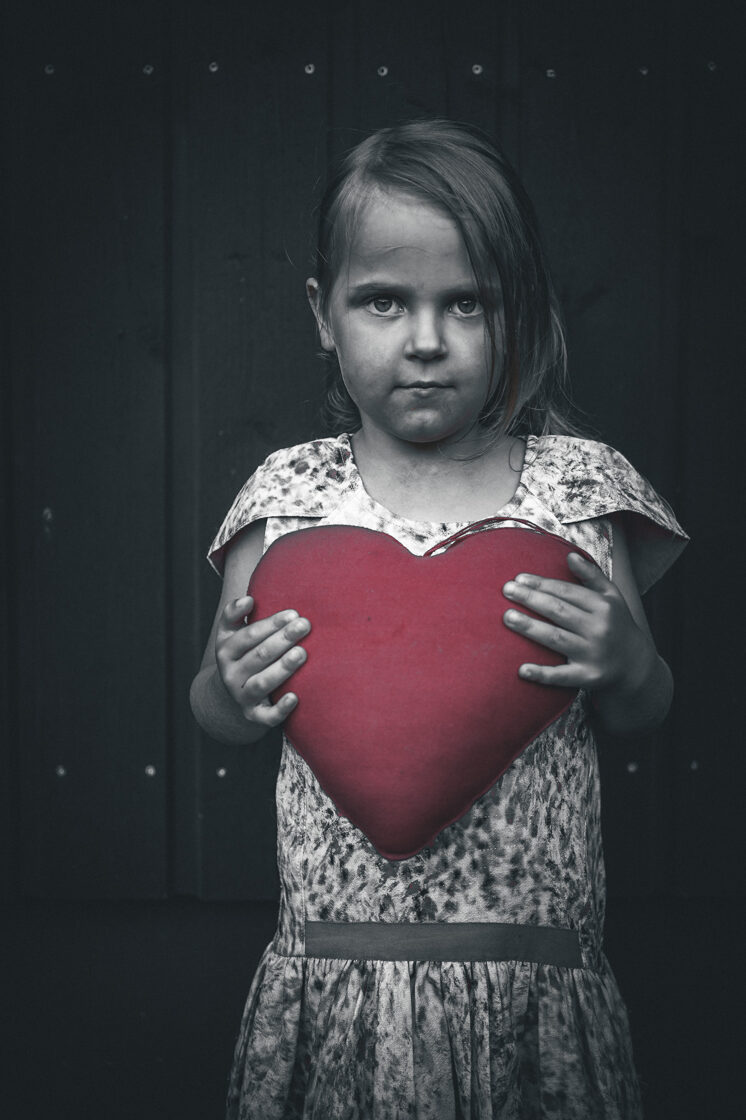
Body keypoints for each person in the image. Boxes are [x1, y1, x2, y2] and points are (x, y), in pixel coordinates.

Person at [190, 119, 688, 1119]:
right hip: (337, 972)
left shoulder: (576, 491)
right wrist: (235, 691)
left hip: (532, 978)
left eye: (467, 303)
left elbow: (642, 705)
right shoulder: (289, 497)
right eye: (383, 300)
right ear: (323, 314)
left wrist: (627, 663)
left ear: (518, 313)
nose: (425, 339)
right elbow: (215, 698)